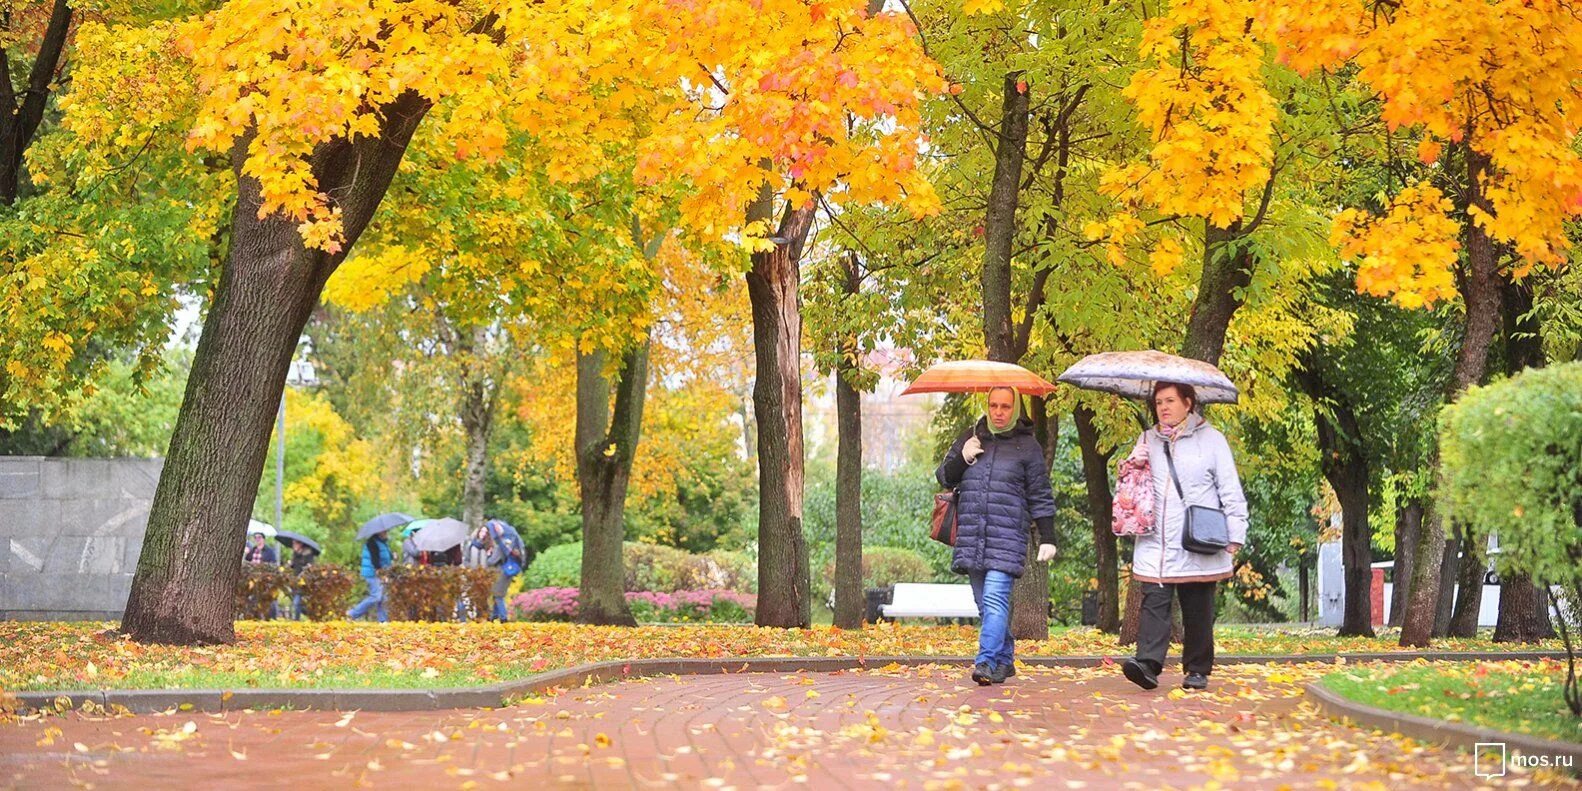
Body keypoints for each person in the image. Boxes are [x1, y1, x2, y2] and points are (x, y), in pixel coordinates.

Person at [1121, 381, 1249, 692]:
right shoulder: (1146, 439)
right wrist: (1132, 464)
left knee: (1197, 607)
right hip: (1156, 540)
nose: (1163, 407)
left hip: (1197, 537)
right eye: (1158, 402)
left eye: (1170, 401)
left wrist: (1236, 533)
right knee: (1154, 601)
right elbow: (1129, 491)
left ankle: (1197, 669)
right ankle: (1148, 665)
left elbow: (1230, 490)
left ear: (1188, 403)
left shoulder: (1212, 440)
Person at [936, 386, 1058, 686]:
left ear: (1015, 409)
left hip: (1007, 535)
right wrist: (962, 458)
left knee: (993, 598)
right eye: (993, 405)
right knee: (984, 603)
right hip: (972, 533)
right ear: (987, 405)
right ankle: (1004, 658)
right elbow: (944, 477)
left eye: (1005, 406)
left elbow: (1040, 493)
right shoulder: (971, 436)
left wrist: (1048, 536)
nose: (999, 412)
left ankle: (987, 662)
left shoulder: (1027, 447)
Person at [471, 520, 526, 622]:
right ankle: (494, 616)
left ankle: (503, 618)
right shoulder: (483, 546)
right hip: (497, 573)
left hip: (501, 573)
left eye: (485, 532)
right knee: (496, 595)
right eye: (481, 531)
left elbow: (492, 561)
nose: (483, 534)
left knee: (498, 595)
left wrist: (487, 557)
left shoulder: (498, 547)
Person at [347, 529, 393, 622]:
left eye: (387, 532)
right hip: (372, 573)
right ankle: (352, 614)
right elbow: (375, 560)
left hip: (382, 572)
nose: (386, 533)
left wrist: (393, 556)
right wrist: (380, 572)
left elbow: (387, 557)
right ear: (378, 532)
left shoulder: (383, 543)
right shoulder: (372, 542)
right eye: (384, 532)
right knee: (376, 596)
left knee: (384, 598)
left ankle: (383, 621)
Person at [288, 539, 317, 620]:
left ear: (300, 544)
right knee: (298, 603)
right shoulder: (295, 554)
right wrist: (290, 564)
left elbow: (310, 567)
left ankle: (296, 620)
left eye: (295, 544)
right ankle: (309, 615)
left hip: (303, 582)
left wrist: (308, 567)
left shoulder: (308, 555)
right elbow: (294, 567)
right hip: (295, 582)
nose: (293, 545)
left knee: (297, 602)